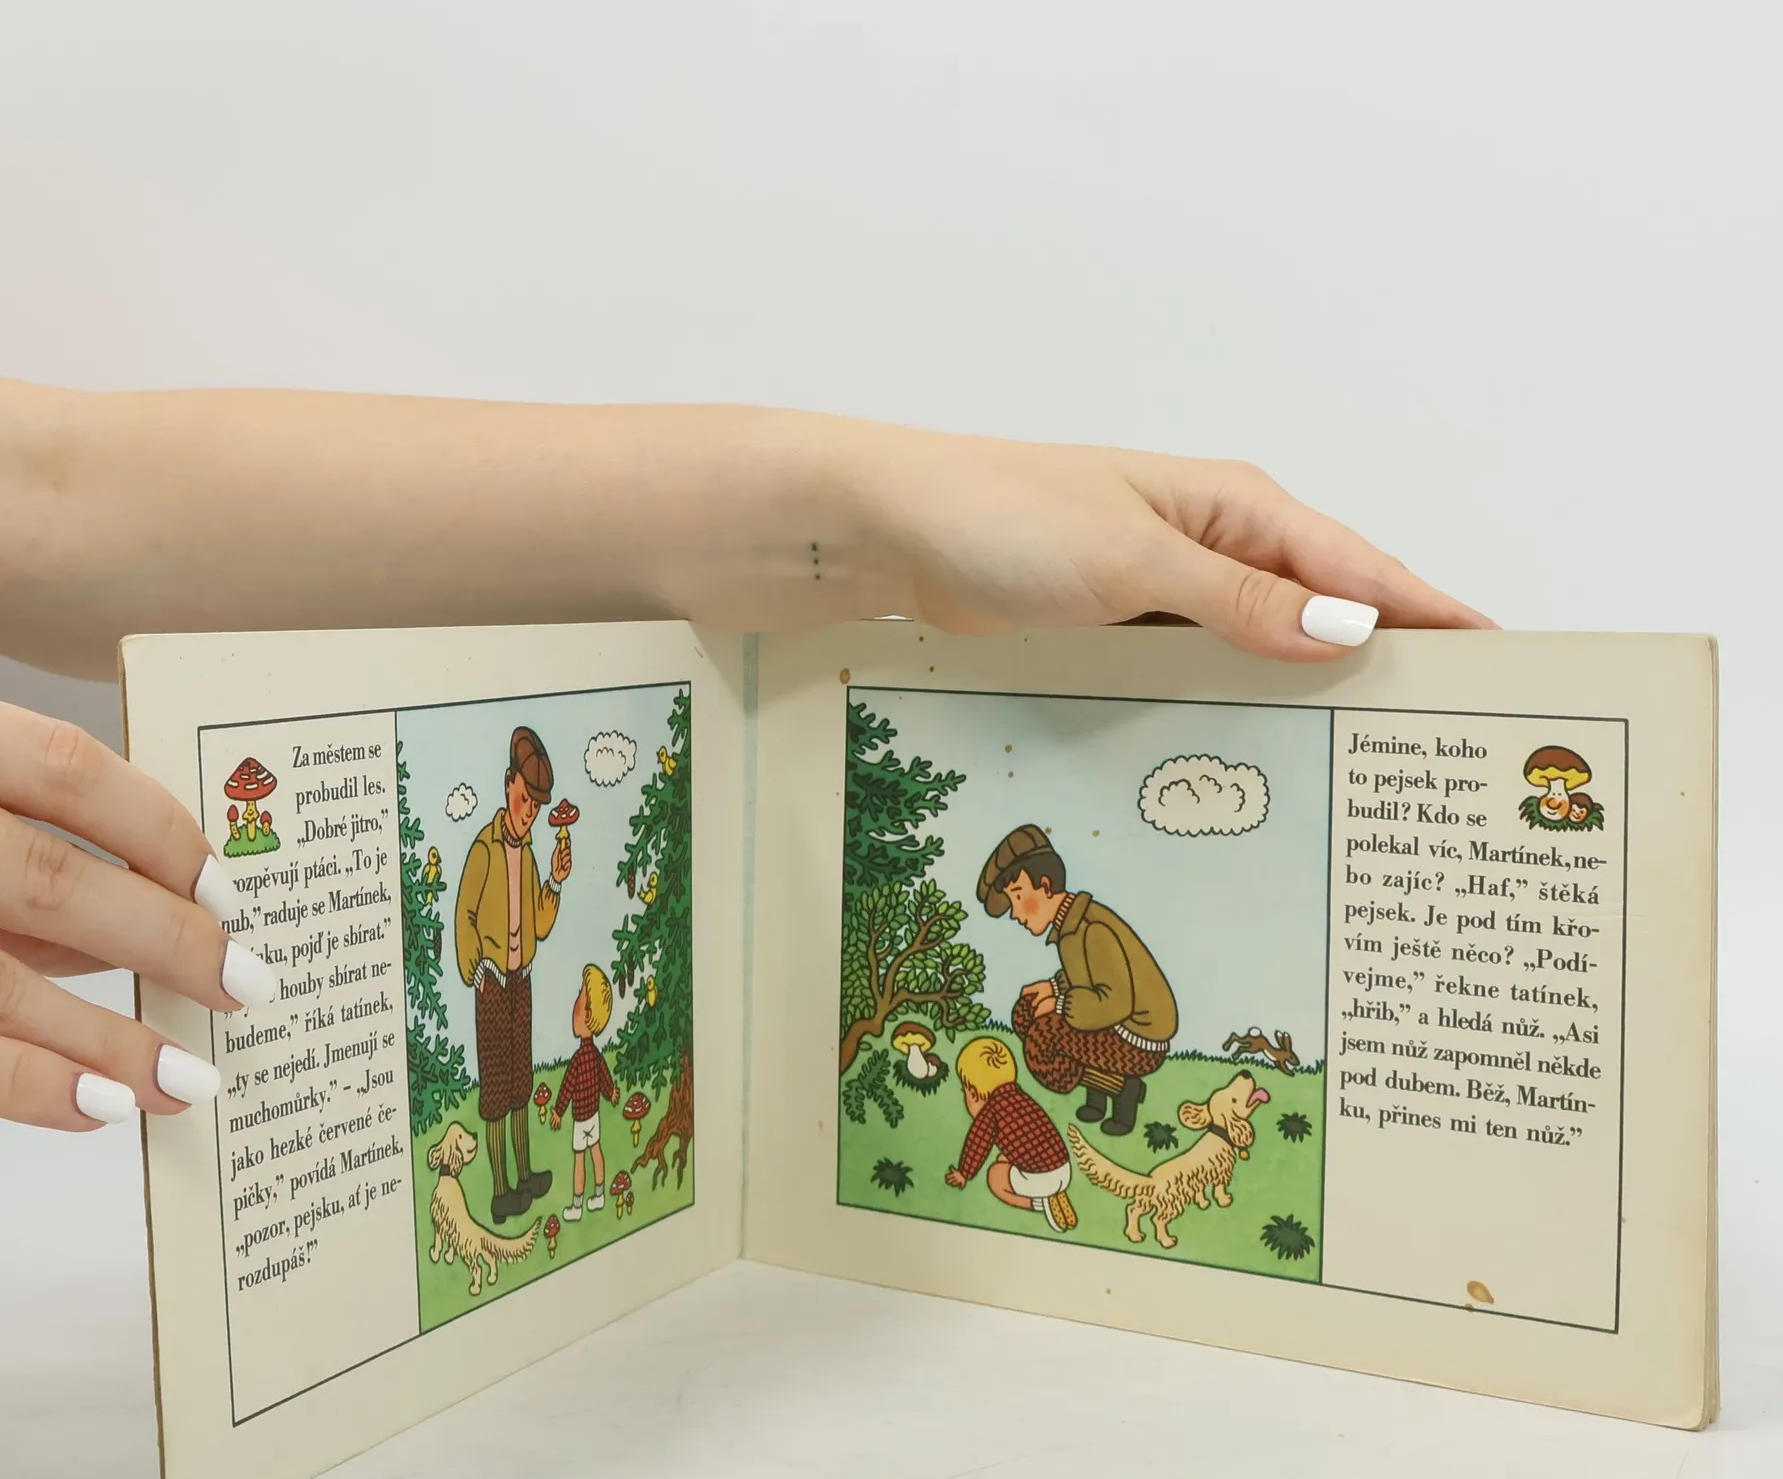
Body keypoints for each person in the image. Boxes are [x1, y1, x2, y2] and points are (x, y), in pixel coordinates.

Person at [0, 376, 1492, 1135]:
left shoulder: (1088, 930)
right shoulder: (493, 861)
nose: (1026, 916)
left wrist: (882, 514)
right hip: (497, 979)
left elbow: (50, 496)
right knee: (505, 1084)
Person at [977, 825, 1174, 1138]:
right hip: (1112, 1022)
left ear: (1045, 885)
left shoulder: (1092, 929)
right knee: (1027, 1012)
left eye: (1018, 897)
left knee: (1043, 1038)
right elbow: (1084, 978)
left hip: (1138, 1037)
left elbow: (1115, 1002)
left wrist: (1057, 1005)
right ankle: (1098, 1097)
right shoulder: (1071, 925)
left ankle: (1123, 1089)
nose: (1014, 913)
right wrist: (1053, 988)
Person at [453, 725, 571, 1223]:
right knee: (497, 1089)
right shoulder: (485, 849)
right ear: (508, 786)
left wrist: (556, 881)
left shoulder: (529, 853)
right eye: (524, 800)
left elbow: (539, 923)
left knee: (522, 1079)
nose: (528, 814)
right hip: (493, 984)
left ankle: (525, 1175)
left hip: (521, 981)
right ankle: (501, 1189)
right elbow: (464, 916)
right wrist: (477, 965)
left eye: (535, 808)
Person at [944, 1036, 1077, 1233]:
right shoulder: (1022, 1098)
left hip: (1040, 1178)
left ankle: (1039, 1203)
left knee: (995, 1176)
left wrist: (964, 1173)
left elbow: (978, 1143)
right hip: (1063, 1169)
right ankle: (1055, 1192)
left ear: (973, 1092)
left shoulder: (991, 1110)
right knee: (1003, 1157)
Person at [552, 964, 618, 1220]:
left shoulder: (579, 1059)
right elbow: (605, 1078)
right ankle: (599, 1195)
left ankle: (577, 1206)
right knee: (596, 1151)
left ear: (587, 1014)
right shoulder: (596, 1055)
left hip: (582, 1119)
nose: (574, 1005)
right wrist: (611, 1093)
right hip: (594, 1116)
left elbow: (567, 1088)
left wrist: (558, 1112)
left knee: (579, 1158)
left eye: (580, 996)